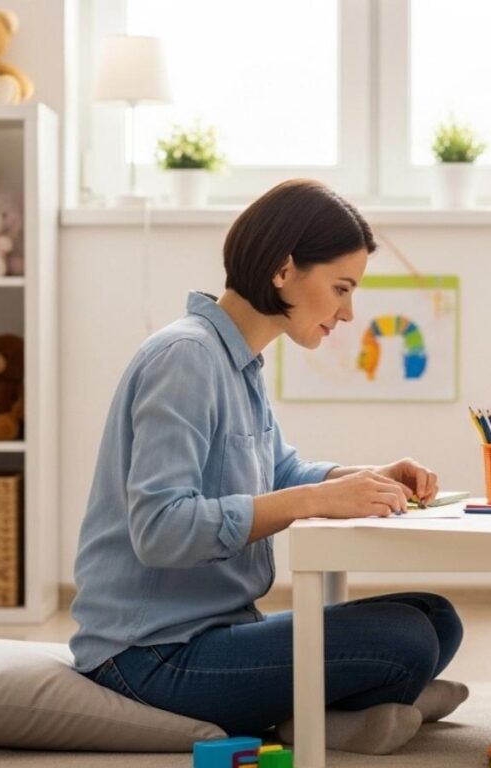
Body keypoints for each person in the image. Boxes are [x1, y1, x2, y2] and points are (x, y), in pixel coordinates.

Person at [69, 179, 467, 755]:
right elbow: (160, 529)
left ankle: (326, 715)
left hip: (222, 629)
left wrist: (359, 478)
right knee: (403, 639)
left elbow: (278, 472)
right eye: (340, 288)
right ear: (284, 270)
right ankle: (330, 715)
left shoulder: (239, 362)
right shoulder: (186, 358)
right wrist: (314, 501)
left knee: (435, 617)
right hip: (149, 656)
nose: (349, 313)